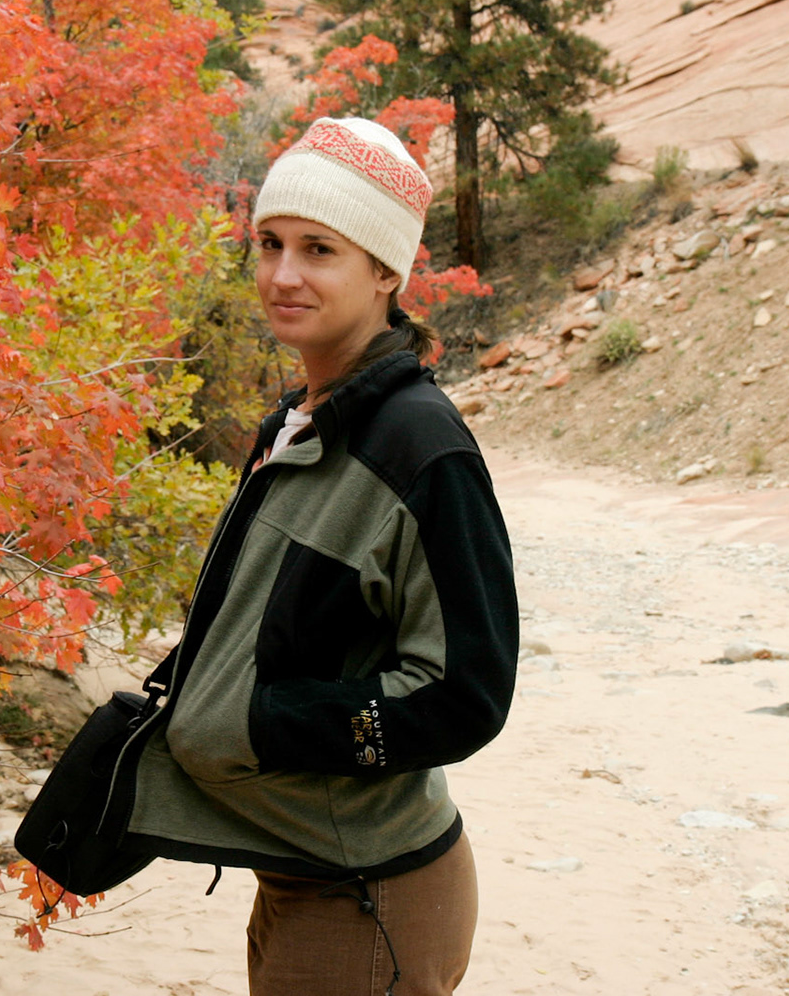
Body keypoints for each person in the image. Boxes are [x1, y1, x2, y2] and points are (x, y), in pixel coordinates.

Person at [105, 116, 520, 995]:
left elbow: (467, 694)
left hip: (368, 890)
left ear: (385, 272)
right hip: (299, 873)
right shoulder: (298, 425)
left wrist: (264, 722)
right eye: (270, 243)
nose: (283, 275)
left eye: (319, 250)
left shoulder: (422, 450)